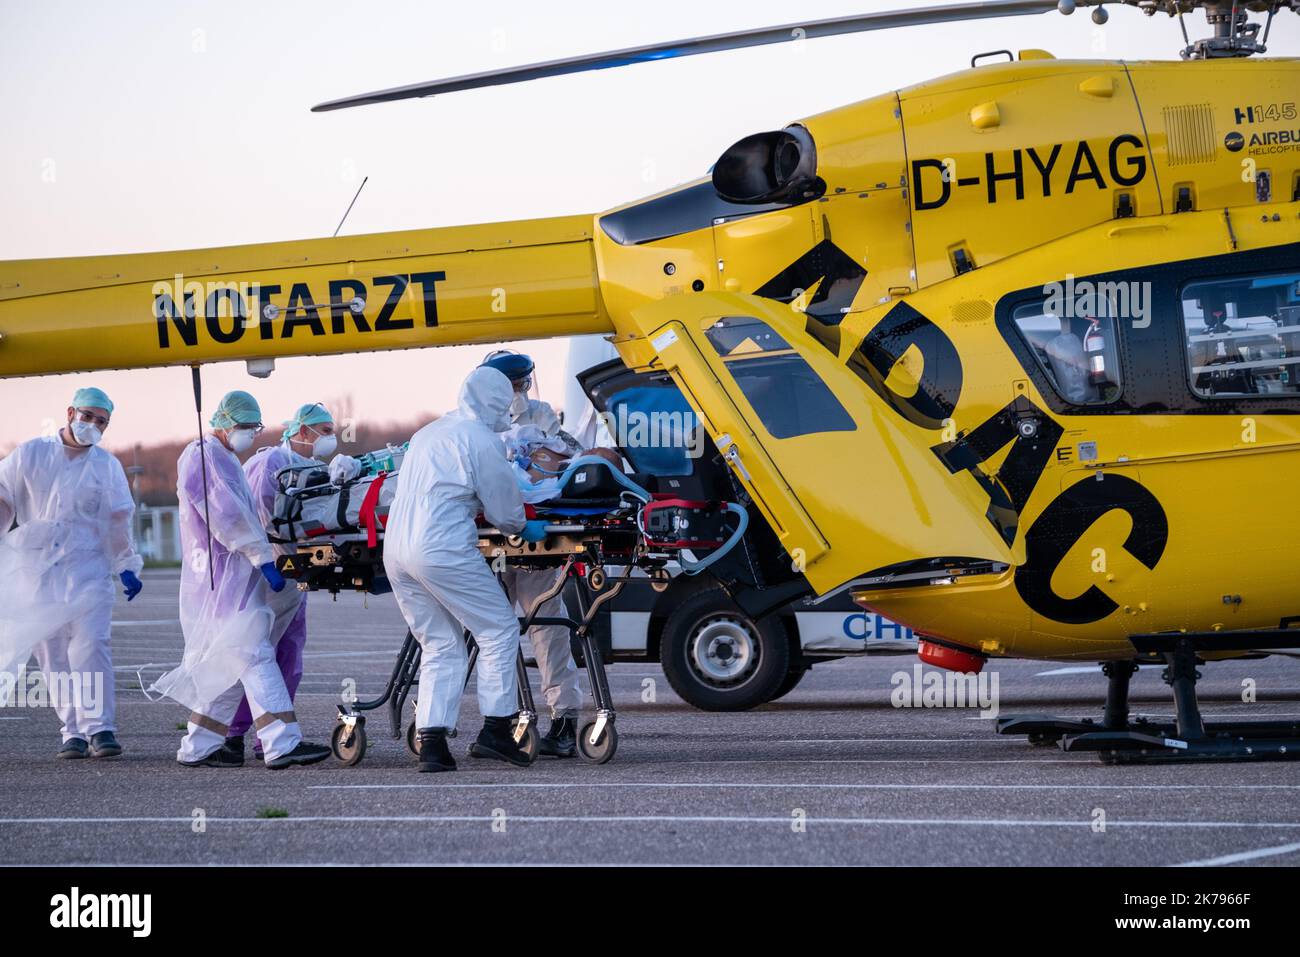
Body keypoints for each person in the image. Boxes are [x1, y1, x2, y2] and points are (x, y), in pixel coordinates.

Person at [152, 390, 330, 769]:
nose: (250, 433)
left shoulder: (222, 457)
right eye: (246, 427)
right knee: (253, 653)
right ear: (225, 422)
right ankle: (281, 742)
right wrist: (263, 557)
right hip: (222, 582)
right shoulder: (205, 457)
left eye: (255, 427)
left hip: (226, 580)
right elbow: (227, 515)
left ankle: (198, 746)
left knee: (232, 661)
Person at [383, 366, 547, 772]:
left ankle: (433, 744)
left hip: (398, 549)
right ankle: (495, 730)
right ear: (497, 403)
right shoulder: (482, 440)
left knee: (440, 644)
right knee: (498, 629)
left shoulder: (429, 433)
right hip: (440, 549)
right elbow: (504, 511)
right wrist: (524, 525)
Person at [0, 387, 143, 759]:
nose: (93, 425)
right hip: (38, 572)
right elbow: (3, 498)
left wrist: (126, 564)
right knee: (52, 655)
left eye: (102, 421)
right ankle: (73, 731)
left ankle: (101, 729)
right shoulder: (31, 454)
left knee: (92, 645)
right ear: (70, 412)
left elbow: (117, 520)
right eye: (88, 416)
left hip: (88, 571)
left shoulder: (105, 466)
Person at [223, 402, 359, 761]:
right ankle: (232, 735)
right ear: (302, 430)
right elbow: (261, 517)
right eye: (325, 431)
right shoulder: (270, 463)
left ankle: (266, 737)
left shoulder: (313, 467)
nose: (331, 439)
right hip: (266, 573)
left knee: (287, 657)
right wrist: (286, 555)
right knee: (256, 657)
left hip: (293, 573)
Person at [481, 350, 585, 757]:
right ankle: (504, 718)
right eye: (516, 384)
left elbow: (564, 460)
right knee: (492, 633)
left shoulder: (541, 415)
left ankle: (564, 720)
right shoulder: (476, 420)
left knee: (548, 627)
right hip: (491, 535)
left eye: (524, 383)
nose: (521, 391)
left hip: (535, 534)